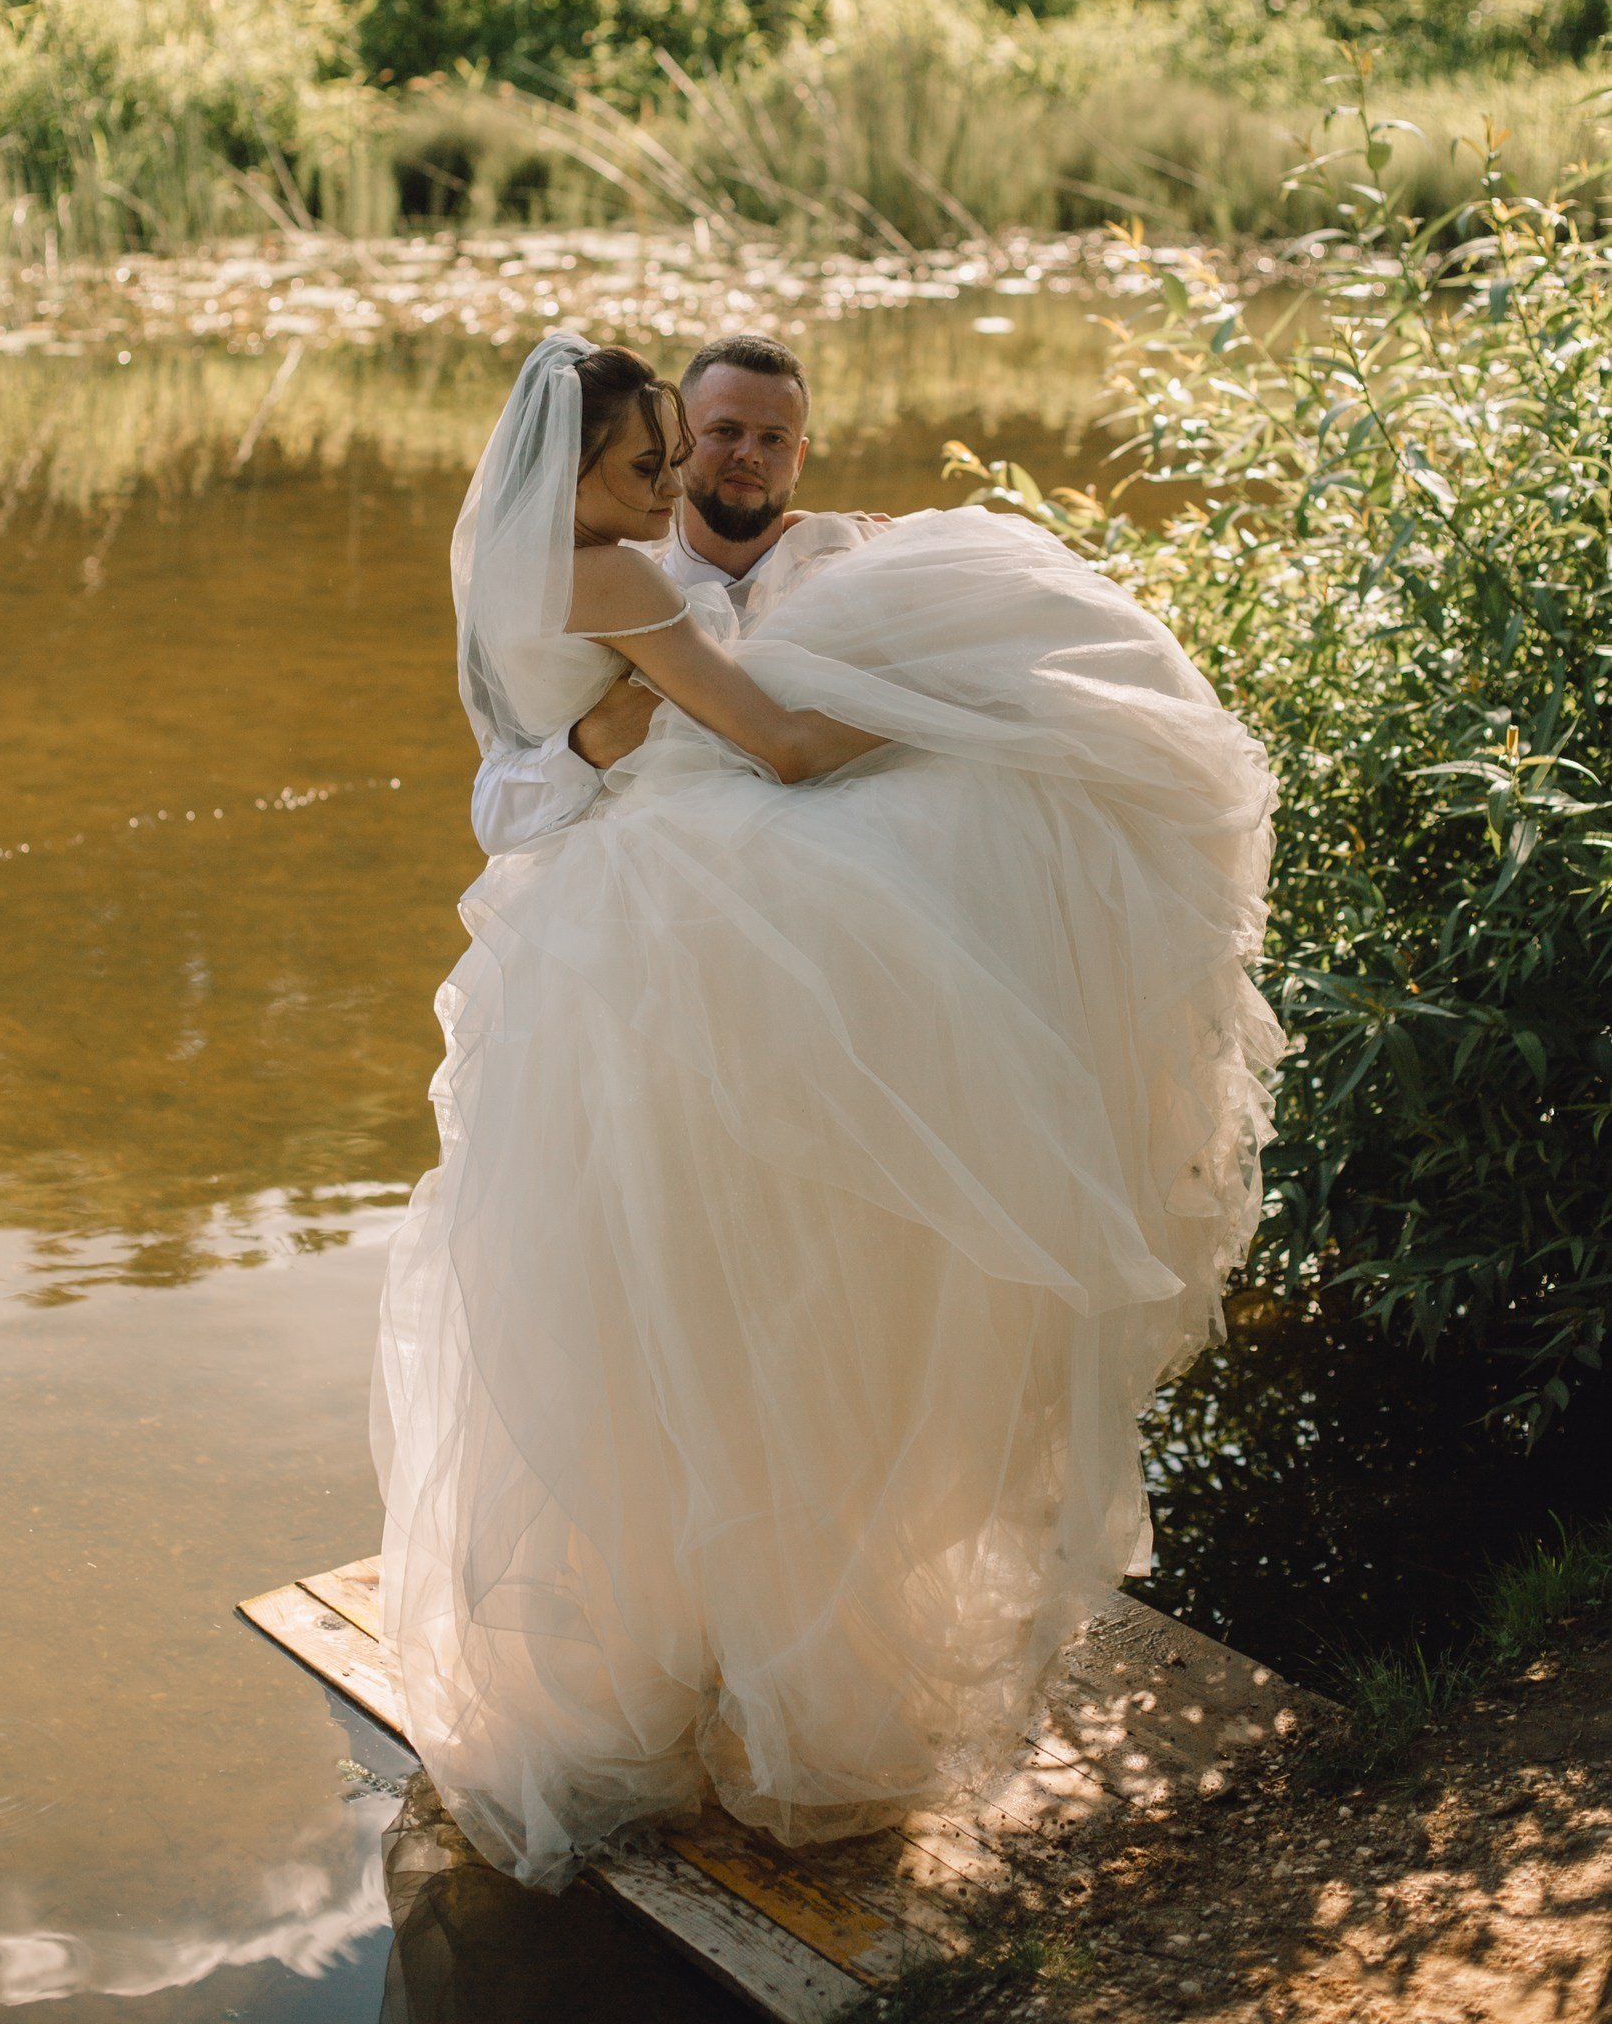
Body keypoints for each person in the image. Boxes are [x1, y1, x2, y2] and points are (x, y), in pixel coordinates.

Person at [373, 332, 1281, 1891]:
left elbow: (653, 726)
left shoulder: (552, 565)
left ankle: (689, 1673)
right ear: (584, 465)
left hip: (617, 981)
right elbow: (753, 750)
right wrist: (974, 719)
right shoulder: (620, 571)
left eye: (732, 444)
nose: (690, 475)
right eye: (664, 454)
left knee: (691, 1327)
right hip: (647, 969)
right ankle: (751, 1681)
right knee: (675, 1316)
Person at [470, 331, 883, 854]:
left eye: (774, 439)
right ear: (680, 437)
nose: (749, 455)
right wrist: (587, 748)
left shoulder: (860, 567)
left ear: (799, 458)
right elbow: (494, 820)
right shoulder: (620, 582)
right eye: (725, 431)